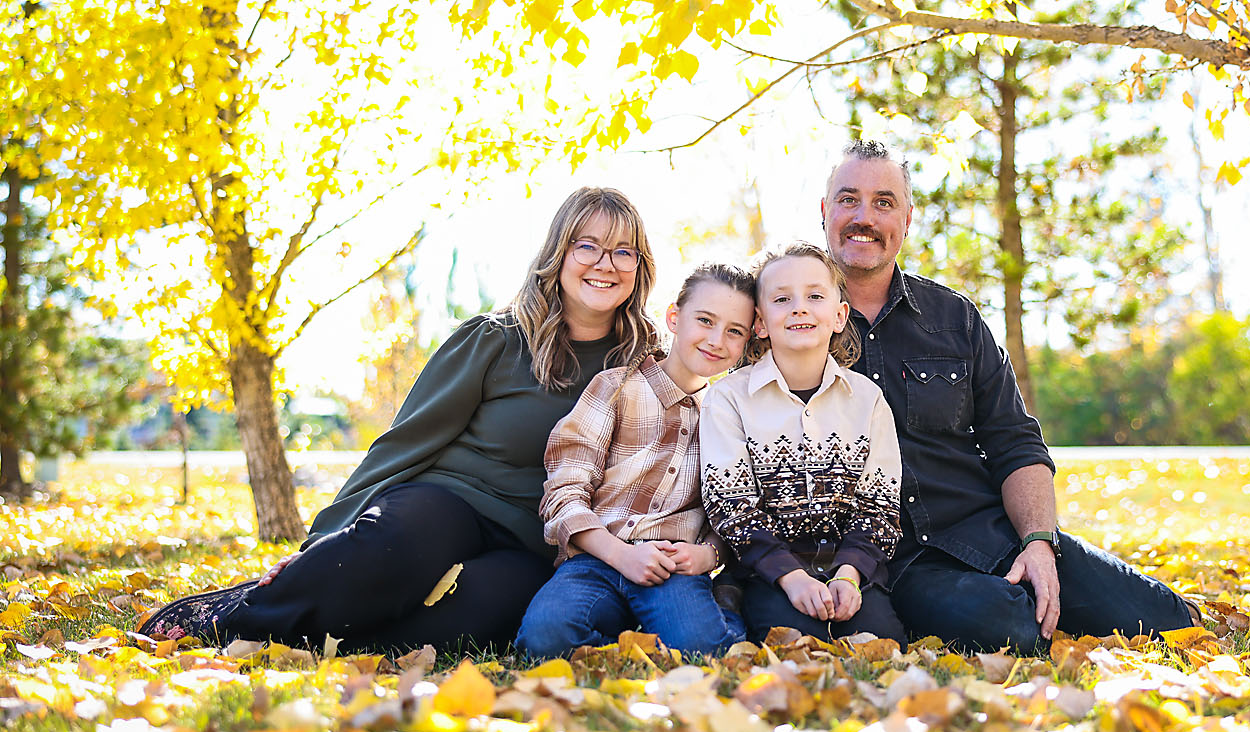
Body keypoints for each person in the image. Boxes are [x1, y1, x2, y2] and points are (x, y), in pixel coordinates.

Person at [141, 187, 659, 652]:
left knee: (481, 617)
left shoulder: (648, 364)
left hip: (532, 542)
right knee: (393, 554)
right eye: (587, 246)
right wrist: (325, 539)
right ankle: (232, 619)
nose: (605, 264)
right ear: (558, 254)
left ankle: (331, 643)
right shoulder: (496, 339)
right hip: (447, 503)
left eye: (623, 251)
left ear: (639, 266)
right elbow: (403, 443)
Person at [820, 139, 1195, 652]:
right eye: (848, 199)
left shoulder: (954, 319)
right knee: (1010, 627)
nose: (864, 217)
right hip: (898, 563)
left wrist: (1039, 542)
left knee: (1167, 619)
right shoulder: (790, 321)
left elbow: (1015, 441)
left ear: (906, 220)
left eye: (883, 202)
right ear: (825, 210)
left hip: (990, 531)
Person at [514, 263, 756, 657]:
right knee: (545, 640)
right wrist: (622, 555)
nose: (716, 340)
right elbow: (564, 491)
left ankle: (720, 609)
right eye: (705, 320)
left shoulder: (728, 417)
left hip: (672, 566)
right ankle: (629, 632)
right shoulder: (615, 388)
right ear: (674, 318)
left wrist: (708, 554)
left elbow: (732, 509)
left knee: (701, 650)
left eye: (734, 331)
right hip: (597, 558)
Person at [699, 242, 906, 644]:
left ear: (839, 315)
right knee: (794, 639)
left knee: (878, 640)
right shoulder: (729, 398)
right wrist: (791, 576)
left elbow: (880, 505)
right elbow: (731, 505)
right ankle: (738, 601)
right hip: (767, 572)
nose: (799, 308)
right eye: (782, 299)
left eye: (814, 296)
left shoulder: (866, 399)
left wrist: (850, 574)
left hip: (849, 569)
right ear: (761, 323)